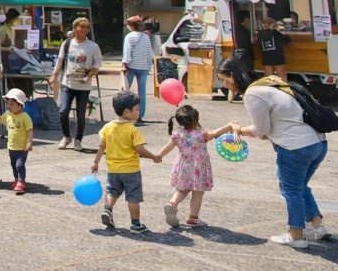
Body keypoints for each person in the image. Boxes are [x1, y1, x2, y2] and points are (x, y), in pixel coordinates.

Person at [223, 61, 333, 248]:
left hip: (296, 147)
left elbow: (261, 129)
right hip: (318, 143)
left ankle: (296, 235)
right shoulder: (271, 83)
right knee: (300, 187)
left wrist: (238, 130)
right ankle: (318, 226)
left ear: (232, 76)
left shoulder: (252, 93)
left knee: (291, 191)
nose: (224, 84)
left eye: (223, 79)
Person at [157, 103, 237, 229]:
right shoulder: (201, 134)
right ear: (195, 119)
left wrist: (159, 156)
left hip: (183, 167)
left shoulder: (177, 134)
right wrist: (230, 125)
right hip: (198, 168)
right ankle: (193, 218)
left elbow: (167, 147)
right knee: (197, 193)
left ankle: (172, 204)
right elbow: (216, 133)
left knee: (182, 190)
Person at [91, 92, 162, 233]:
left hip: (113, 170)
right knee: (133, 198)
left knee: (112, 192)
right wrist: (154, 157)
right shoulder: (133, 130)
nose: (139, 111)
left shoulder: (108, 127)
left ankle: (107, 210)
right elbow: (140, 150)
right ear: (126, 112)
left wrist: (96, 162)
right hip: (131, 171)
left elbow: (102, 146)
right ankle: (135, 225)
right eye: (137, 109)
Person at [48, 16, 102, 150]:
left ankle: (78, 139)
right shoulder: (67, 44)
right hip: (67, 84)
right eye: (82, 27)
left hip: (84, 86)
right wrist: (54, 75)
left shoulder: (93, 46)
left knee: (80, 115)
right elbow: (60, 61)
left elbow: (97, 65)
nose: (84, 29)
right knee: (63, 111)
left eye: (87, 27)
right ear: (74, 28)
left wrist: (89, 75)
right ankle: (66, 136)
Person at [120, 15, 155, 122]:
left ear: (131, 25)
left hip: (131, 66)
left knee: (125, 91)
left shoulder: (129, 37)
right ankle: (139, 115)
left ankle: (124, 113)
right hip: (143, 67)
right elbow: (150, 52)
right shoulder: (146, 37)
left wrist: (125, 63)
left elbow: (127, 51)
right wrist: (149, 66)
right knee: (142, 93)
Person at [0, 88, 34, 194]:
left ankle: (21, 181)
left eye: (12, 104)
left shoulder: (25, 117)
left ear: (20, 105)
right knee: (13, 164)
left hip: (23, 148)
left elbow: (30, 131)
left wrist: (29, 142)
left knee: (19, 164)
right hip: (12, 147)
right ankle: (16, 179)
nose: (8, 106)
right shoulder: (7, 114)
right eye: (8, 104)